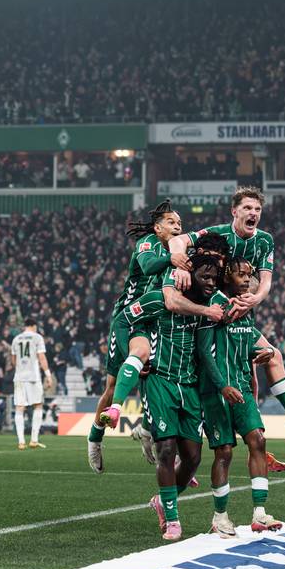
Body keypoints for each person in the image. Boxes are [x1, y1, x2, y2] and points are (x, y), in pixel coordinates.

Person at [167, 186, 285, 439]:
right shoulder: (218, 233)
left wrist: (255, 299)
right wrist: (180, 263)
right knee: (201, 373)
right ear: (234, 211)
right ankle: (161, 427)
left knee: (266, 364)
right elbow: (177, 240)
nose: (253, 213)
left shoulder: (265, 240)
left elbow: (265, 281)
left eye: (257, 209)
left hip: (240, 315)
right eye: (247, 207)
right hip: (210, 316)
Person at [87, 199, 215, 473]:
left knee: (157, 373)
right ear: (157, 228)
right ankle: (95, 437)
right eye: (171, 222)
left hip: (156, 318)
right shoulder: (148, 244)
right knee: (114, 385)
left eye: (180, 223)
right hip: (129, 316)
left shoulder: (180, 251)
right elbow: (147, 267)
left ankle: (147, 429)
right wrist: (172, 259)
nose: (177, 226)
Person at [107, 253, 228, 541]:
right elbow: (122, 321)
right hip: (159, 380)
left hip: (190, 385)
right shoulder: (158, 299)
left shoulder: (212, 303)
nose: (211, 283)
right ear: (189, 275)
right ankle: (172, 520)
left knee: (193, 457)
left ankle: (162, 501)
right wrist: (132, 355)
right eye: (205, 277)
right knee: (166, 449)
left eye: (214, 278)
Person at [197, 257, 283, 538]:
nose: (247, 279)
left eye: (249, 274)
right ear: (226, 277)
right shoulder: (214, 305)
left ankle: (260, 514)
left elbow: (244, 345)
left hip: (242, 387)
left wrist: (263, 352)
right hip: (216, 390)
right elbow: (204, 351)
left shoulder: (246, 307)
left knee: (258, 440)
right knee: (224, 451)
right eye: (240, 275)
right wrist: (222, 386)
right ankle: (220, 516)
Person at [10, 318, 54, 450]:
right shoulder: (37, 337)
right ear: (34, 326)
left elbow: (13, 361)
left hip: (19, 377)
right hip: (33, 377)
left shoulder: (16, 339)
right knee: (38, 405)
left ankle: (21, 442)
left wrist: (20, 368)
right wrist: (48, 375)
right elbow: (42, 357)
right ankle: (34, 440)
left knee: (19, 407)